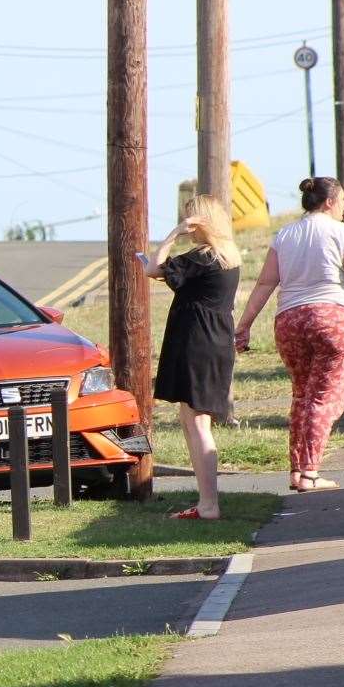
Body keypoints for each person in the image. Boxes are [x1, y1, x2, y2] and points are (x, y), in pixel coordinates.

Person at [233, 175, 344, 492]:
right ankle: (310, 473)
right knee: (323, 399)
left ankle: (297, 470)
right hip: (335, 318)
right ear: (330, 201)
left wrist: (244, 324)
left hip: (290, 320)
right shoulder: (343, 232)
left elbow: (265, 283)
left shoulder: (286, 234)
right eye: (343, 200)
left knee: (302, 395)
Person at [141, 193, 241, 520]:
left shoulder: (204, 256)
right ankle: (205, 501)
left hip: (197, 340)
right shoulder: (226, 256)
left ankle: (209, 503)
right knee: (191, 420)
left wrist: (173, 234)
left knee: (197, 423)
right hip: (212, 339)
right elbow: (169, 276)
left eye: (190, 218)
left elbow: (154, 268)